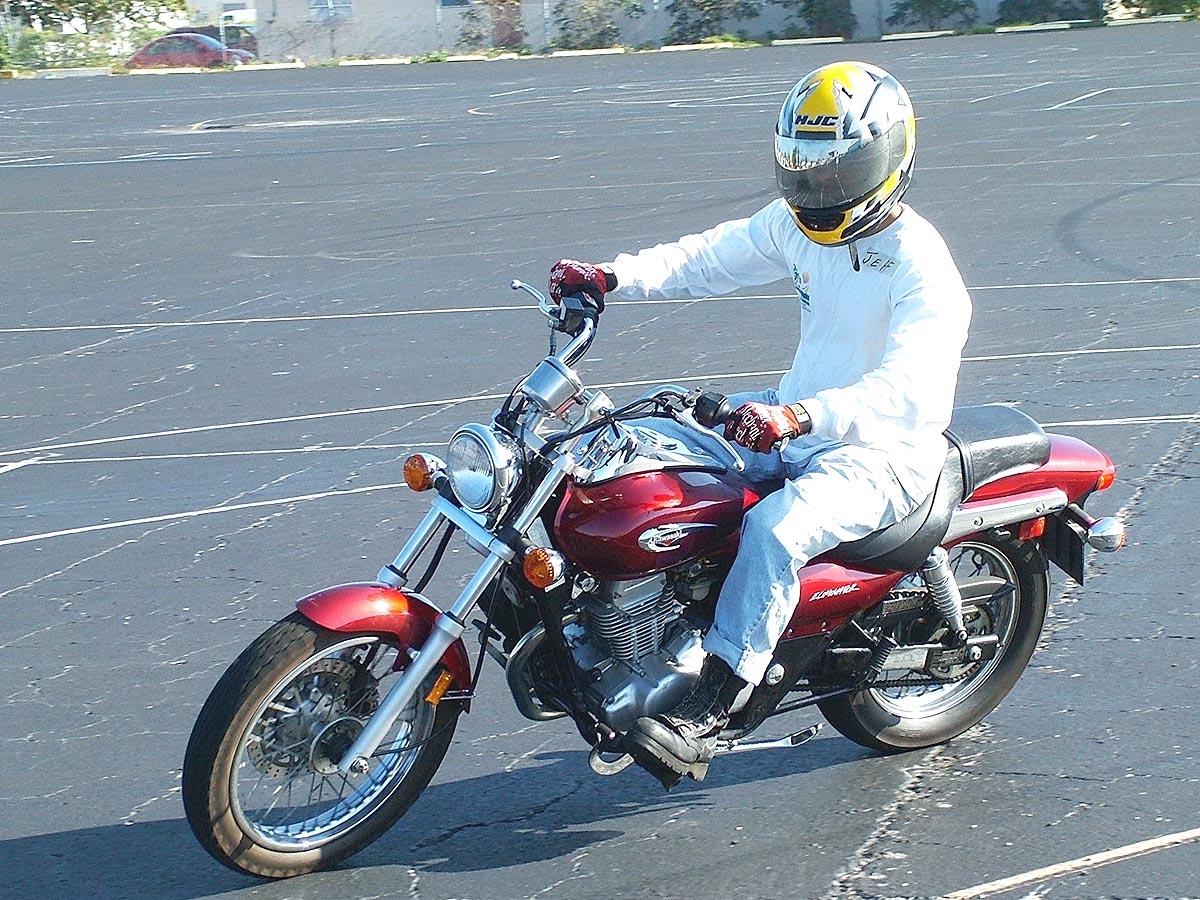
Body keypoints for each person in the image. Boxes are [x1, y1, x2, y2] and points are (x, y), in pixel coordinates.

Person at [548, 61, 972, 786]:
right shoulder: (800, 228)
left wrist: (801, 413)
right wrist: (613, 276)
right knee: (650, 452)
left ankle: (717, 698)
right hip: (796, 422)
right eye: (806, 169)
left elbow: (911, 392)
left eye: (839, 171)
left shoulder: (922, 267)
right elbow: (713, 256)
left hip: (883, 455)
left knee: (777, 529)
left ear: (888, 159)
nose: (819, 188)